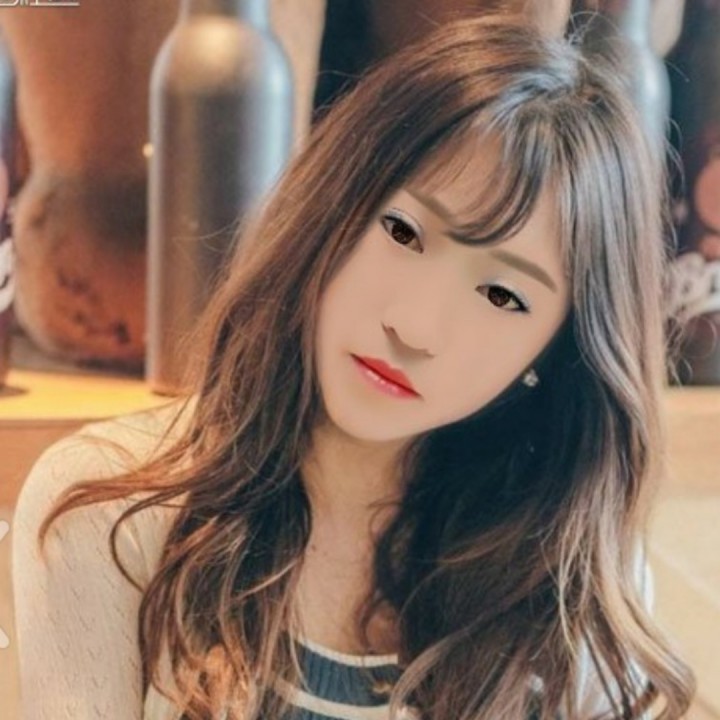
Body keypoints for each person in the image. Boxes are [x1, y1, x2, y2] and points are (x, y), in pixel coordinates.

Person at [11, 13, 695, 720]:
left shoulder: (572, 591)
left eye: (502, 295)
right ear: (331, 208)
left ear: (556, 353)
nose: (414, 328)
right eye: (403, 232)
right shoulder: (111, 513)